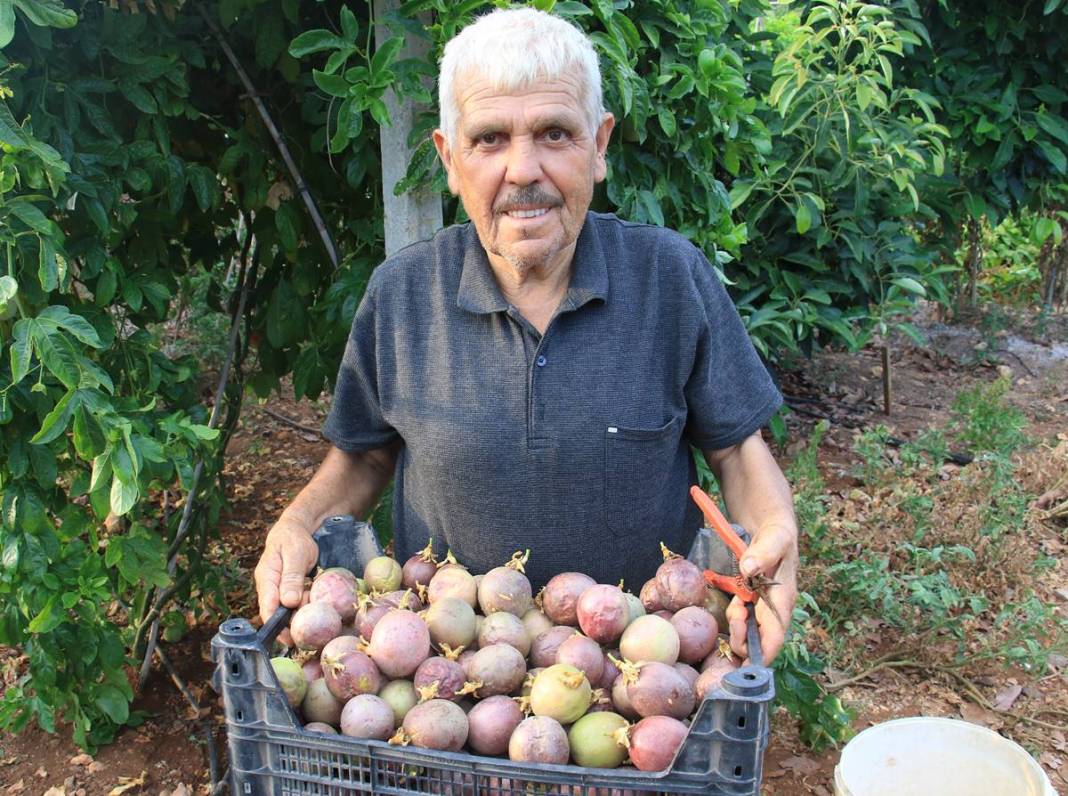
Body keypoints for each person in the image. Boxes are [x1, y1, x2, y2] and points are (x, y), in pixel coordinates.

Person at [255, 7, 798, 663]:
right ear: (449, 160)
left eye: (554, 134)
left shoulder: (669, 279)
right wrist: (297, 524)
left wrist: (774, 531)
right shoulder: (402, 295)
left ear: (598, 146)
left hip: (645, 680)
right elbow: (364, 457)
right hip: (453, 686)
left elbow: (738, 452)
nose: (522, 170)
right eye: (488, 140)